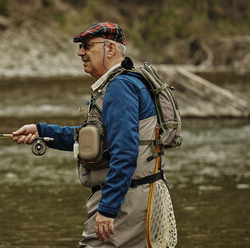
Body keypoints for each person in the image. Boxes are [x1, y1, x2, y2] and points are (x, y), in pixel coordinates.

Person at [13, 22, 161, 247]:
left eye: (87, 46)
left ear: (110, 49)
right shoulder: (122, 83)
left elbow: (126, 152)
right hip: (133, 195)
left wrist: (108, 209)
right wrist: (42, 131)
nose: (80, 52)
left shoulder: (120, 87)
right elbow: (94, 139)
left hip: (126, 202)